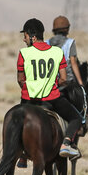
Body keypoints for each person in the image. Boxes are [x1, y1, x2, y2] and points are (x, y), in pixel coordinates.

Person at [16, 18, 82, 163]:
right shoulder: (57, 52)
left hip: (28, 99)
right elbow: (64, 79)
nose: (23, 39)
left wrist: (30, 88)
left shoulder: (23, 53)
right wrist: (50, 84)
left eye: (25, 36)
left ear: (32, 37)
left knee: (16, 122)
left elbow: (21, 80)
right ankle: (66, 144)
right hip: (52, 98)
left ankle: (21, 153)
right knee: (77, 118)